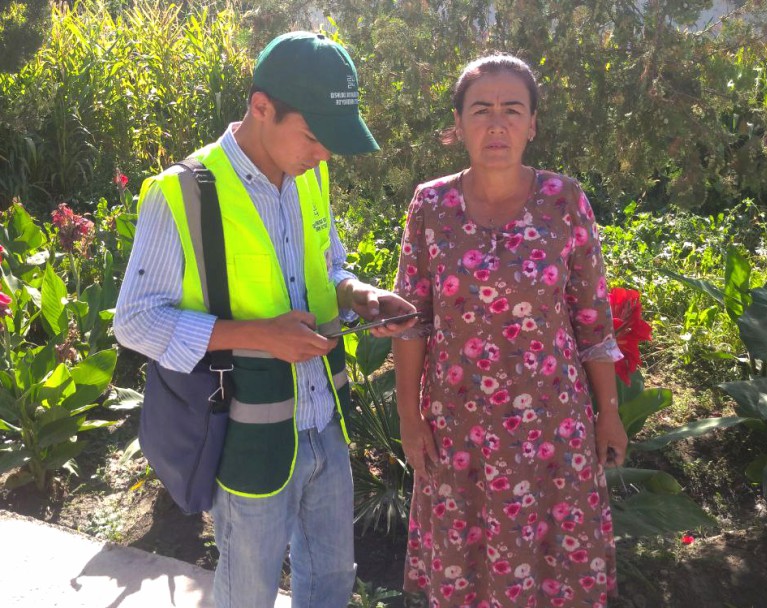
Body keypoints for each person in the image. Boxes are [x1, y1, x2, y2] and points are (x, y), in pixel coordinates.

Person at [114, 31, 416, 608]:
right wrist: (259, 336)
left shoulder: (310, 177)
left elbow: (329, 266)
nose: (323, 154)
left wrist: (359, 295)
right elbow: (135, 322)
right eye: (314, 136)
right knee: (248, 588)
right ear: (261, 107)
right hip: (246, 430)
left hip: (325, 416)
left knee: (331, 577)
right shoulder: (182, 192)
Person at [392, 54, 628, 607]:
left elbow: (593, 319)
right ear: (458, 123)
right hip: (458, 429)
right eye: (481, 109)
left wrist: (609, 412)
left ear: (532, 124)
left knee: (554, 577)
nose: (496, 123)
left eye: (511, 109)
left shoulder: (564, 202)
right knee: (466, 574)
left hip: (552, 427)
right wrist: (409, 416)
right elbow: (411, 321)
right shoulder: (430, 205)